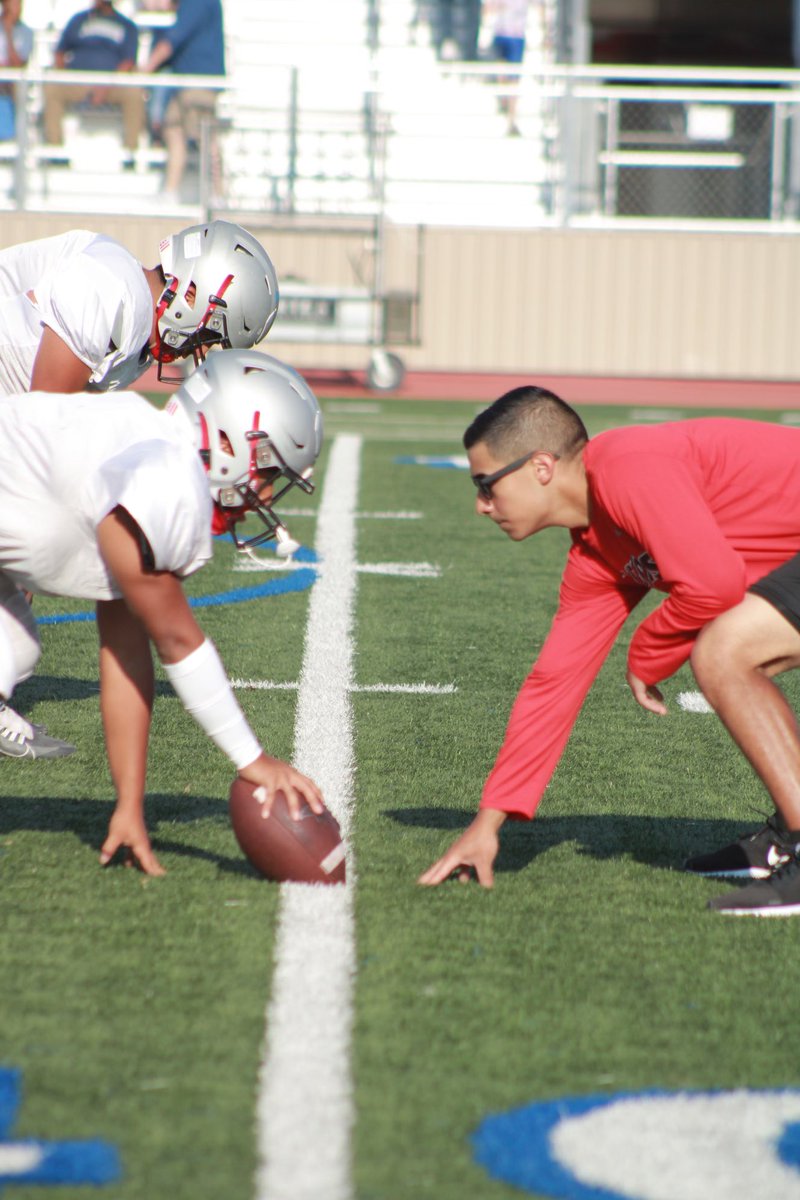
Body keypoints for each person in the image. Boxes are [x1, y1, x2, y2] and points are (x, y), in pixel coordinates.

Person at [417, 385, 800, 914]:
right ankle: (789, 828)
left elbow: (714, 582)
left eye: (487, 484)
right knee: (740, 649)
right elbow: (554, 684)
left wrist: (646, 653)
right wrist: (489, 821)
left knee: (723, 652)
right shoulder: (595, 552)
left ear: (542, 467)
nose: (481, 505)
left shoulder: (625, 466)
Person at [0, 348, 324, 876]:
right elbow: (178, 640)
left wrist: (129, 805)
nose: (263, 494)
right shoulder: (166, 478)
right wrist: (252, 759)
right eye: (266, 471)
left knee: (12, 648)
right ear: (225, 440)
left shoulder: (148, 451)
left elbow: (128, 653)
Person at [0, 219, 280, 757]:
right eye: (210, 331)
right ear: (194, 291)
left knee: (16, 643)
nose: (200, 349)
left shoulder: (127, 317)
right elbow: (41, 433)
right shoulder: (114, 289)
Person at [142, 0, 224, 203]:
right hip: (182, 82)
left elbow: (173, 39)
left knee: (206, 138)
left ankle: (219, 193)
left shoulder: (198, 2)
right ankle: (170, 191)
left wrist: (145, 69)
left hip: (199, 82)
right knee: (173, 130)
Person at [43, 0, 145, 157]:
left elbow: (128, 61)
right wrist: (64, 74)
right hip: (78, 82)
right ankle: (55, 152)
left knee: (134, 94)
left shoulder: (127, 26)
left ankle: (130, 155)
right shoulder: (78, 20)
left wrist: (107, 85)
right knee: (52, 90)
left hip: (113, 84)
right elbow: (60, 52)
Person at [0, 0, 32, 142]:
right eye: (13, 4)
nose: (18, 8)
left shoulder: (26, 32)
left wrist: (8, 31)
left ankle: (14, 139)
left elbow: (18, 65)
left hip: (13, 81)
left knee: (16, 89)